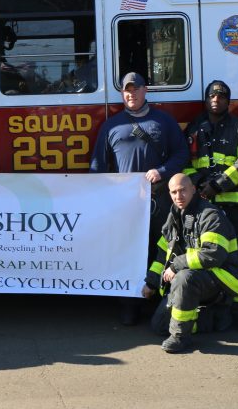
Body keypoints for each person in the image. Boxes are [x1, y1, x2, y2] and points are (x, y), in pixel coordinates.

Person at [90, 71, 189, 325]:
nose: (130, 94)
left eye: (135, 89)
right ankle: (129, 306)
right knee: (129, 253)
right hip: (126, 203)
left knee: (163, 250)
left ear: (146, 91)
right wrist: (104, 197)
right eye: (126, 90)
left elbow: (181, 154)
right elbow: (98, 166)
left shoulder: (164, 121)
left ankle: (160, 304)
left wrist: (162, 171)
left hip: (160, 200)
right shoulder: (111, 125)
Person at [182, 79, 238, 332]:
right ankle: (219, 311)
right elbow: (185, 162)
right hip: (206, 209)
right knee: (210, 259)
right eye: (212, 96)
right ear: (206, 100)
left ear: (229, 101)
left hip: (236, 206)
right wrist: (197, 184)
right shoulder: (195, 128)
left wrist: (218, 184)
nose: (216, 100)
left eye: (221, 96)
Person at [142, 173, 238, 353]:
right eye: (174, 192)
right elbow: (163, 253)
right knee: (159, 325)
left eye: (183, 190)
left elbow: (213, 254)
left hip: (221, 277)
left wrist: (176, 265)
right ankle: (214, 317)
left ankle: (181, 337)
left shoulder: (210, 215)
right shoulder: (174, 216)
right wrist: (151, 282)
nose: (178, 196)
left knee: (184, 277)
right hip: (193, 278)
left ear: (193, 190)